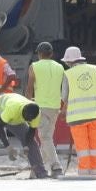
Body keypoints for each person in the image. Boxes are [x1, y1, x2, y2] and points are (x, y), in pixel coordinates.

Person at [61, 46, 96, 177]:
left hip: (77, 118)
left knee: (82, 147)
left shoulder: (68, 74)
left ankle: (84, 171)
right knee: (93, 146)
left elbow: (64, 97)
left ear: (69, 61)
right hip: (94, 115)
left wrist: (64, 111)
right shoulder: (94, 69)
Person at [24, 41, 65, 178]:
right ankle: (36, 170)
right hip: (54, 107)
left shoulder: (34, 66)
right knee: (46, 138)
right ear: (51, 54)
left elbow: (29, 88)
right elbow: (63, 88)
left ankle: (56, 166)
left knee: (45, 137)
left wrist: (26, 103)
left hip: (40, 107)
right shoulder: (60, 67)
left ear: (39, 54)